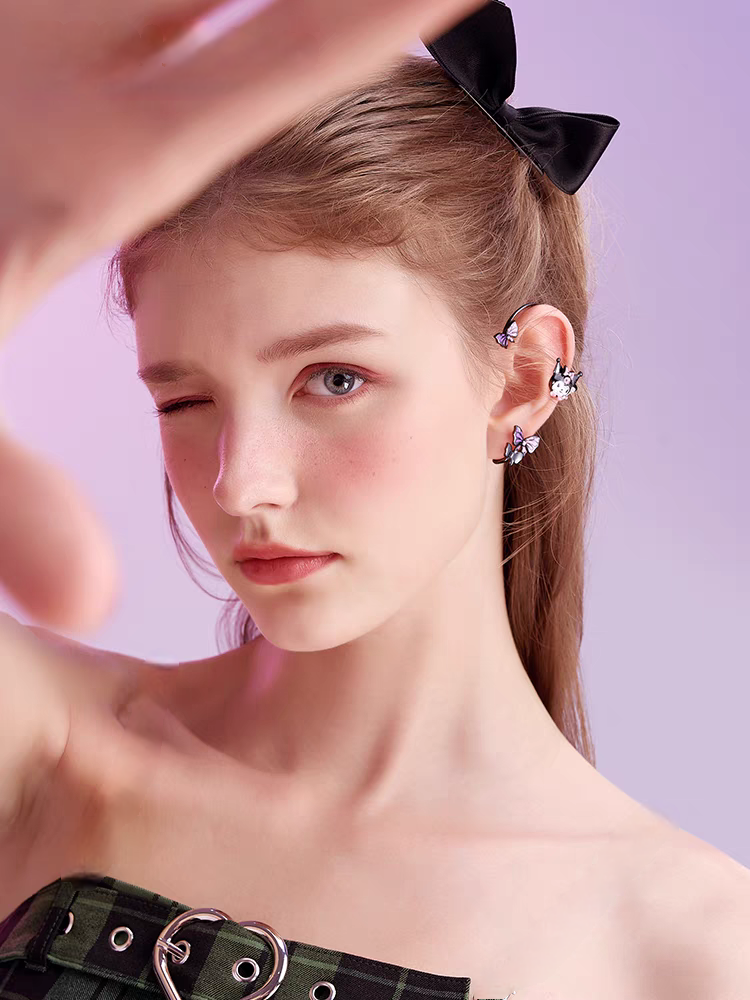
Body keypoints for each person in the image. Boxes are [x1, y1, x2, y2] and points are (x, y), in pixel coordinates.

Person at [0, 2, 747, 999]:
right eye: (184, 401)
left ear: (525, 376)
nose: (240, 482)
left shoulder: (688, 950)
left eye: (334, 379)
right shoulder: (41, 743)